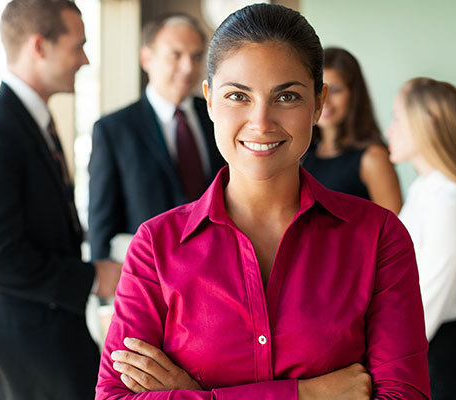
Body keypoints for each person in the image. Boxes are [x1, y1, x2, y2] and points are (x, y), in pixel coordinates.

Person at [95, 4, 430, 399]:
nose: (261, 122)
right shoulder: (155, 246)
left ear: (318, 104)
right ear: (209, 100)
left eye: (286, 96)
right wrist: (307, 394)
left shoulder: (379, 237)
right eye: (238, 95)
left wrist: (193, 393)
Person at [0, 1, 122, 398]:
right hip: (28, 357)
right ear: (40, 46)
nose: (86, 60)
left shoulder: (28, 123)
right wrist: (94, 276)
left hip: (54, 341)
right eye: (78, 46)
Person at [385, 77, 456, 399]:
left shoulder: (451, 204)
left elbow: (426, 306)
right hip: (419, 353)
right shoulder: (426, 190)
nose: (389, 130)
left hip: (434, 364)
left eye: (397, 119)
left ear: (427, 123)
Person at [88, 13, 224, 263]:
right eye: (176, 55)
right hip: (151, 275)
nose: (188, 67)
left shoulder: (218, 116)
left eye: (196, 56)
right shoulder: (114, 130)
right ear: (146, 58)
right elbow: (101, 223)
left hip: (217, 266)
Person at [302, 47, 402, 212]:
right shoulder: (305, 154)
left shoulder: (372, 158)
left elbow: (394, 231)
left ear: (354, 95)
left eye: (335, 91)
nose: (325, 100)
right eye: (318, 90)